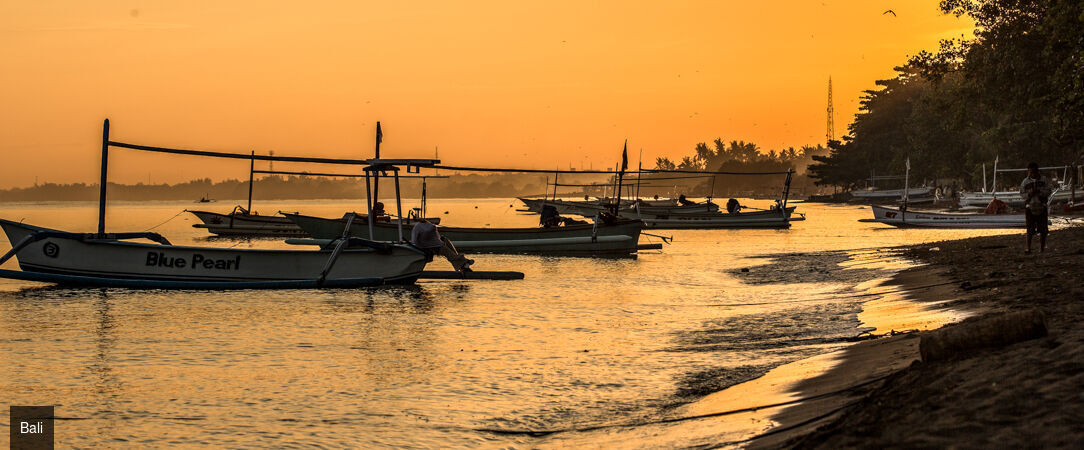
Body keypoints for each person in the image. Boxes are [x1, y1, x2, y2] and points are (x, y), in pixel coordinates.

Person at [1020, 162, 1051, 254]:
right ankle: (1028, 248)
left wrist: (1040, 192)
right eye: (1030, 172)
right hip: (1030, 207)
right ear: (1028, 171)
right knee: (1030, 229)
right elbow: (1022, 193)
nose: (1032, 173)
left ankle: (1042, 248)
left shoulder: (1044, 179)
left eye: (1034, 171)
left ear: (1037, 171)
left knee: (1043, 229)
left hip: (1041, 206)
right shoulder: (1025, 182)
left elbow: (1049, 191)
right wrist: (1029, 194)